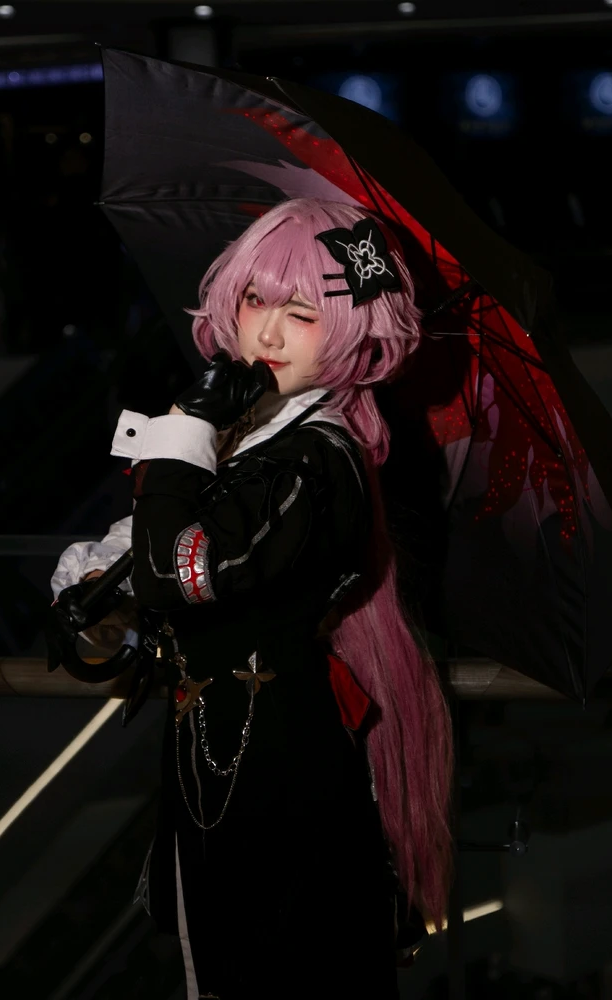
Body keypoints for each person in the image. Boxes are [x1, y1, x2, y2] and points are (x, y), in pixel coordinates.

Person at [51, 197, 453, 1000]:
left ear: (350, 332)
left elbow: (178, 572)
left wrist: (182, 433)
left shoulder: (314, 460)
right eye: (253, 299)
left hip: (284, 791)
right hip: (223, 778)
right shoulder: (248, 443)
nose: (266, 332)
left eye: (301, 313)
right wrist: (95, 608)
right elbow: (132, 565)